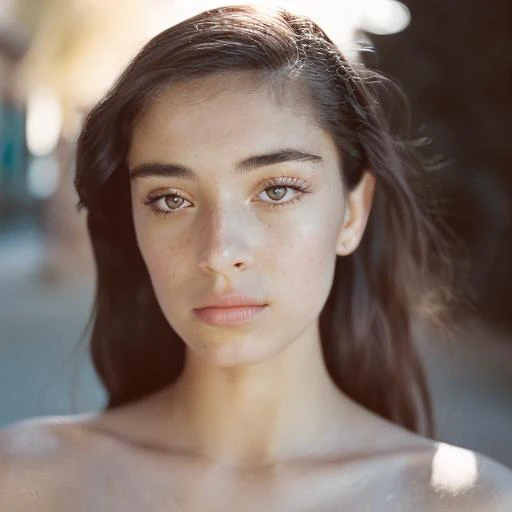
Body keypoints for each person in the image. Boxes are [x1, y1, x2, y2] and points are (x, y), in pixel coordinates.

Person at [1, 4, 511, 510]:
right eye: (170, 199)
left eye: (278, 190)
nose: (220, 253)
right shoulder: (28, 482)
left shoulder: (467, 502)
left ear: (353, 213)